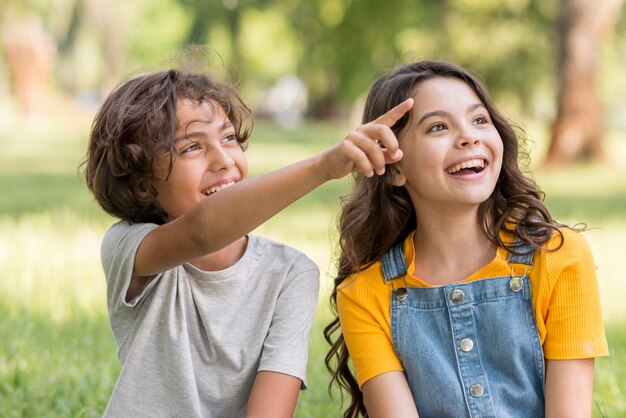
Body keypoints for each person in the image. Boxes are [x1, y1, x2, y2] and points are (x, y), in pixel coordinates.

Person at [83, 67, 413, 418]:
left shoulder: (290, 273)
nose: (224, 159)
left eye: (228, 138)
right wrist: (323, 167)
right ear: (143, 186)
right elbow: (202, 229)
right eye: (193, 147)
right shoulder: (129, 249)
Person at [324, 60, 609, 418]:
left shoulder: (558, 257)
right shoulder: (364, 292)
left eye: (479, 120)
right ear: (395, 168)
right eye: (438, 127)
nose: (469, 136)